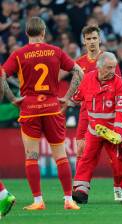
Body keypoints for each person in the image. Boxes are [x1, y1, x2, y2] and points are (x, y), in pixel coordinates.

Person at [1, 17, 82, 210]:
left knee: (32, 156)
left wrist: (13, 98)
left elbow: (2, 75)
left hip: (29, 108)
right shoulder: (56, 51)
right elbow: (79, 72)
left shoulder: (19, 54)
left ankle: (38, 201)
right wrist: (67, 97)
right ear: (44, 32)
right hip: (53, 106)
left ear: (26, 33)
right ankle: (69, 199)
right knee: (61, 156)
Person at [71, 52, 122, 204]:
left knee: (120, 161)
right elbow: (77, 98)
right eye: (108, 68)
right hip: (94, 130)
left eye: (114, 67)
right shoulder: (87, 79)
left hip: (112, 131)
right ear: (99, 67)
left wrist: (119, 134)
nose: (112, 71)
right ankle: (81, 191)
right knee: (86, 159)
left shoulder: (119, 83)